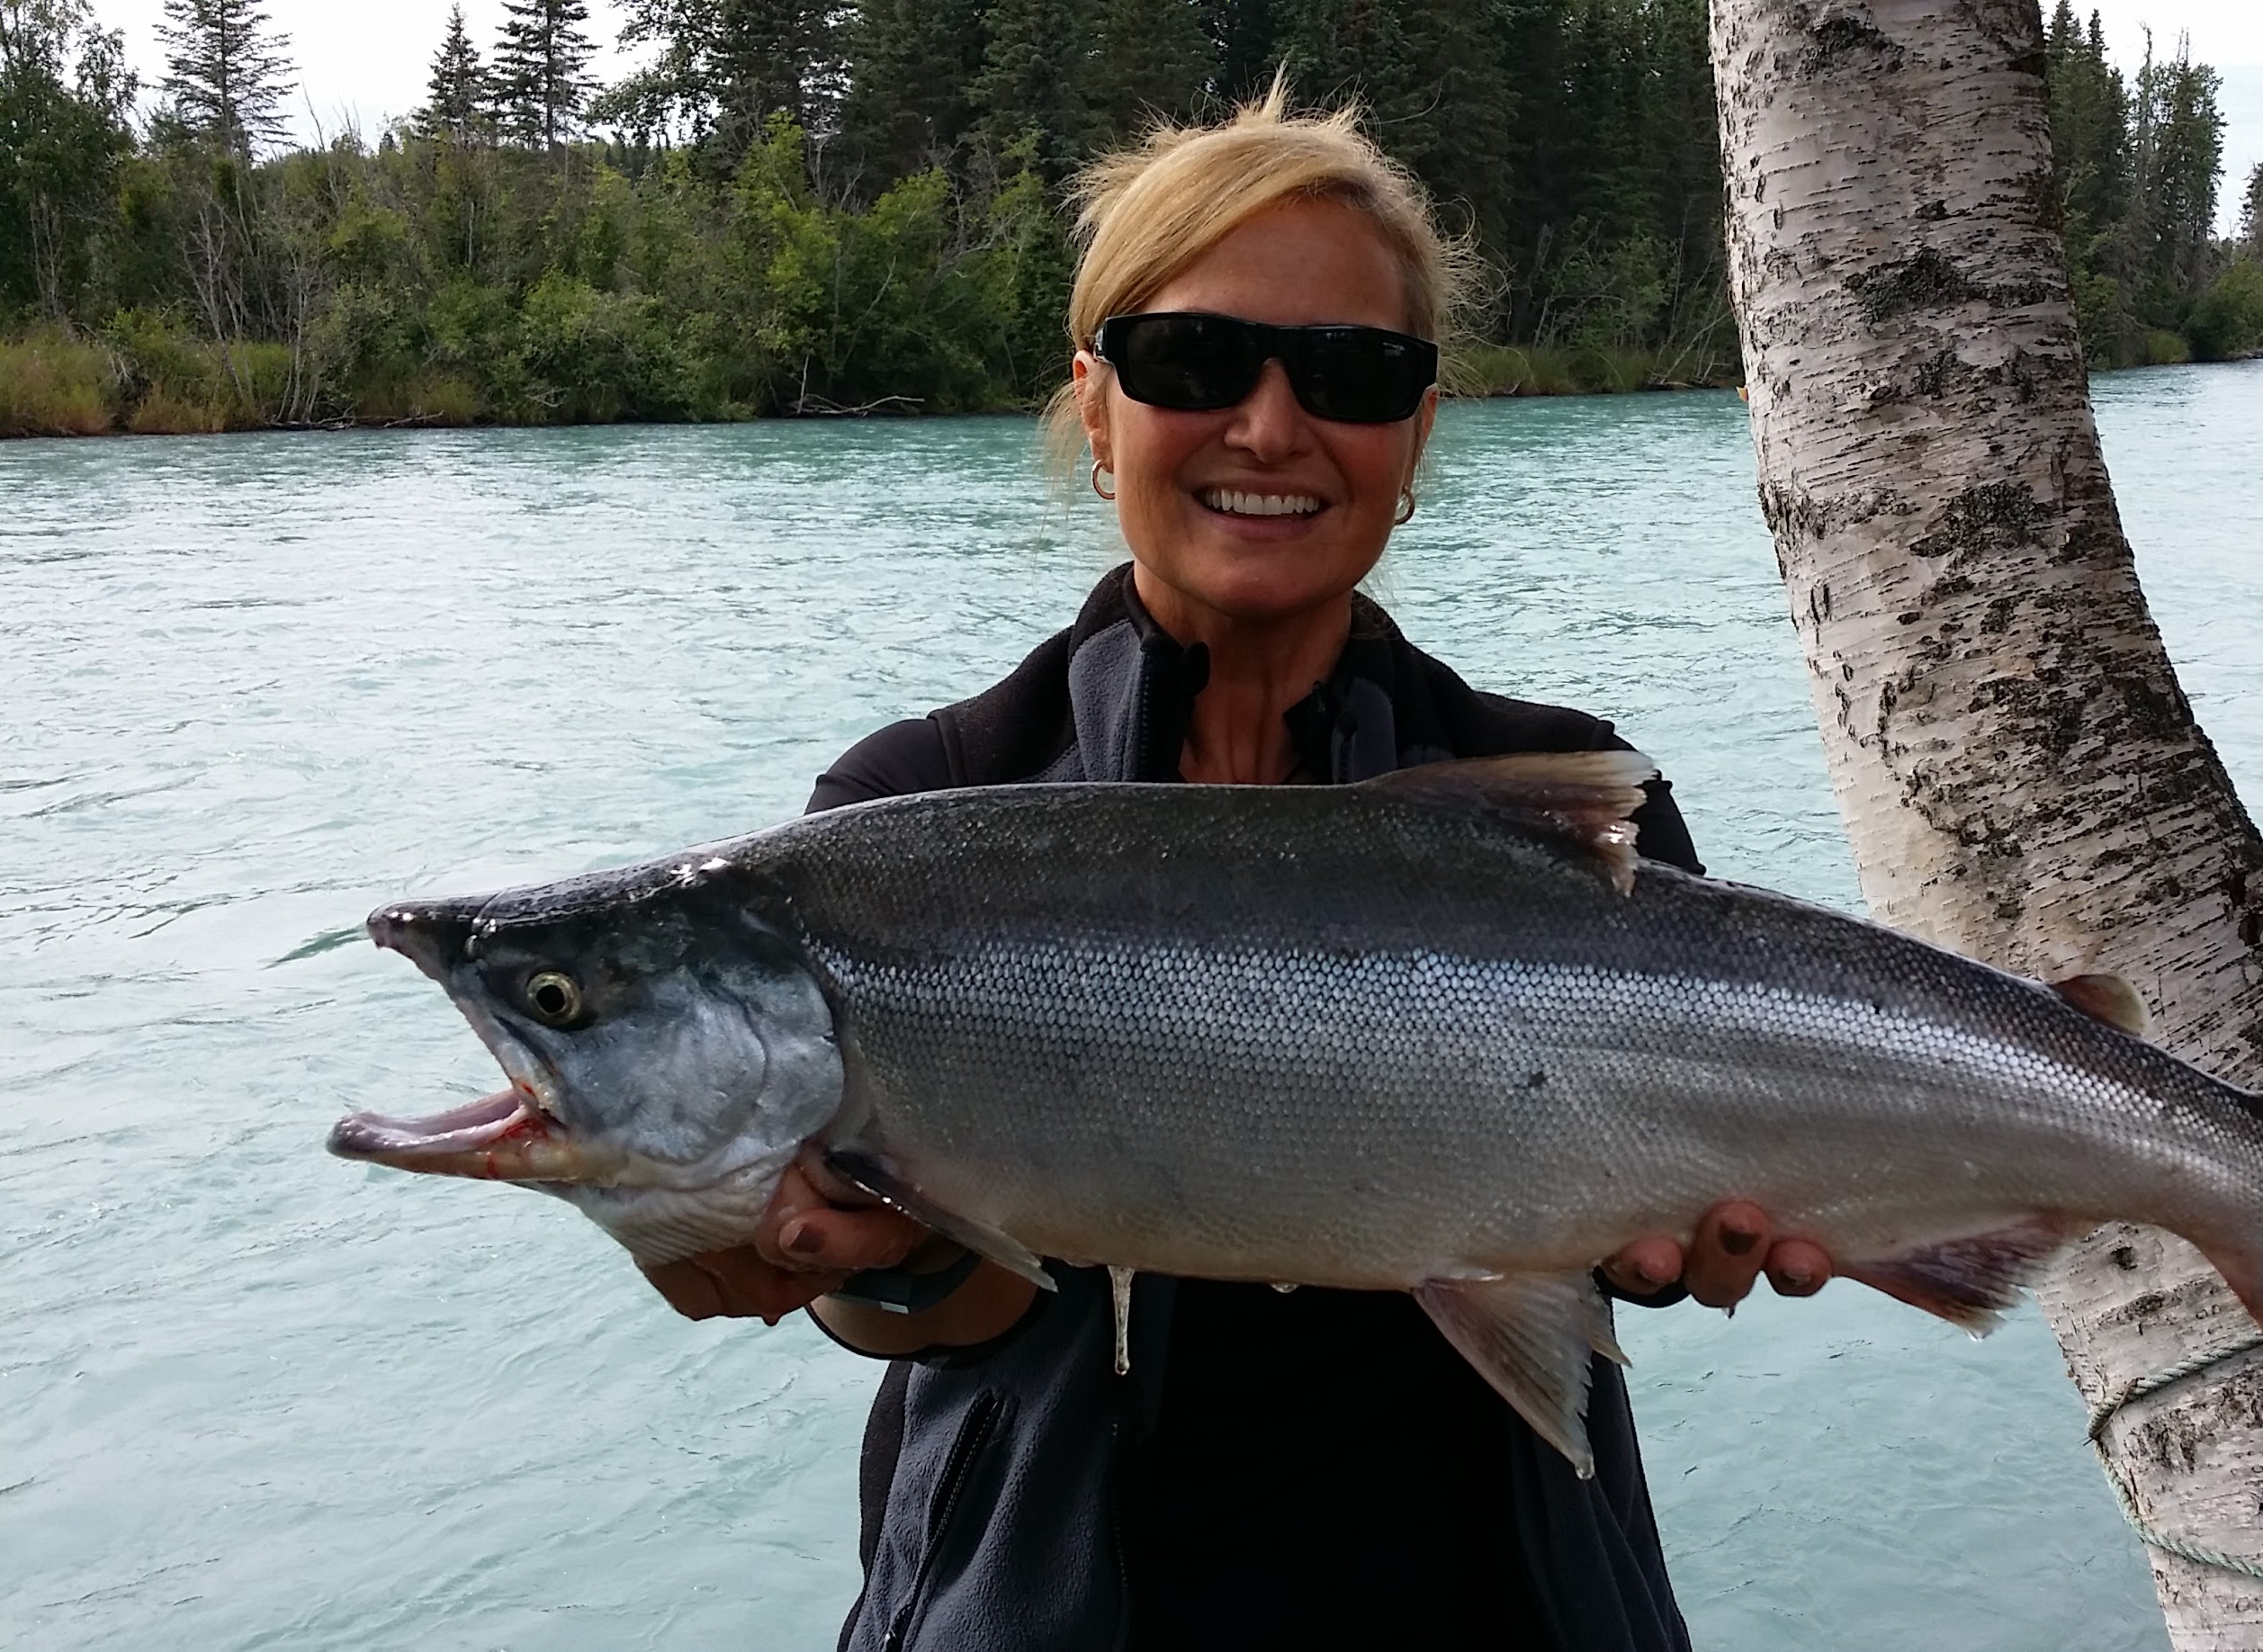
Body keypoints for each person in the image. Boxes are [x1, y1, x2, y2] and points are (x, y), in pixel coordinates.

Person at [638, 86, 1829, 1652]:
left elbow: (1646, 1242)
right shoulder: (923, 805)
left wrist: (1673, 1254)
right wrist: (870, 1256)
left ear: (1413, 436)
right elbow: (923, 1317)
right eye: (1193, 361)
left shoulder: (1574, 797)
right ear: (1097, 402)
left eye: (1351, 372)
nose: (1270, 428)